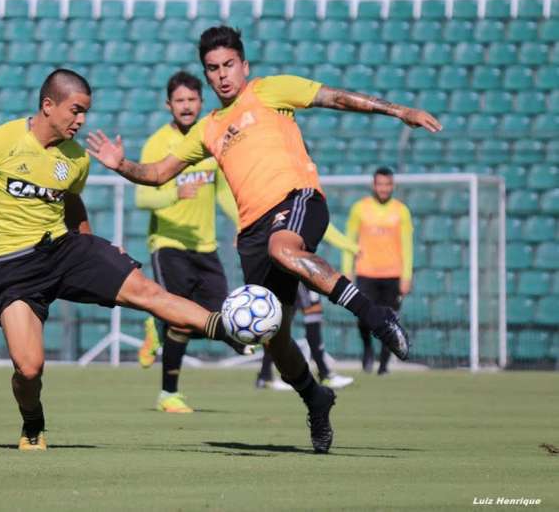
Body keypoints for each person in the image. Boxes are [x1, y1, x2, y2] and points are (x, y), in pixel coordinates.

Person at [86, 26, 441, 453]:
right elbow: (159, 172)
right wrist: (121, 163)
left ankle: (376, 315)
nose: (221, 76)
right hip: (252, 233)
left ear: (244, 66)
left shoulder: (270, 91)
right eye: (213, 69)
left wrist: (399, 110)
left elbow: (337, 98)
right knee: (274, 336)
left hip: (299, 199)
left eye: (229, 66)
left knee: (283, 247)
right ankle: (315, 397)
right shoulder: (209, 128)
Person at [0, 69, 240, 452]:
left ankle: (224, 327)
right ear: (48, 105)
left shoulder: (76, 159)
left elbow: (71, 201)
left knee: (145, 290)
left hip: (64, 249)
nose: (82, 121)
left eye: (86, 112)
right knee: (29, 369)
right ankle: (32, 422)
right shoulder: (0, 142)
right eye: (76, 111)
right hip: (14, 266)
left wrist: (95, 253)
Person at [134, 71, 241, 414]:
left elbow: (223, 192)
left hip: (205, 246)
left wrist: (244, 224)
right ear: (169, 105)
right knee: (183, 318)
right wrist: (174, 194)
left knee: (217, 318)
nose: (186, 106)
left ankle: (158, 323)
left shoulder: (210, 138)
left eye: (191, 100)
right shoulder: (157, 143)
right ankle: (169, 395)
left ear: (201, 102)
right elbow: (142, 198)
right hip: (168, 244)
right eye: (179, 100)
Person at [256, 224, 359, 391]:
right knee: (310, 314)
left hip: (288, 265)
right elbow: (327, 228)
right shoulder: (300, 206)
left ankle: (265, 375)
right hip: (297, 267)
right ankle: (325, 375)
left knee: (279, 324)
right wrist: (350, 246)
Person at [343, 167, 414, 375]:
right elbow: (349, 240)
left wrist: (406, 276)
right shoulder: (359, 209)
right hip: (366, 272)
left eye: (387, 184)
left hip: (393, 273)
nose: (384, 188)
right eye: (380, 184)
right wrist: (347, 270)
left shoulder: (401, 211)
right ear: (374, 185)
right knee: (364, 317)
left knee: (390, 320)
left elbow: (407, 245)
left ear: (392, 186)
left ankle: (384, 364)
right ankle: (367, 349)